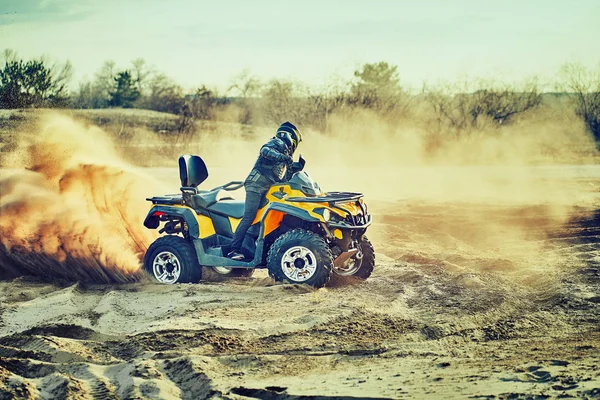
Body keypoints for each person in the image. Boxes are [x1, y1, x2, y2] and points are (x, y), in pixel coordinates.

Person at [227, 122, 302, 260]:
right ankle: (233, 250)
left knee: (264, 217)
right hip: (256, 185)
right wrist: (284, 158)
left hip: (267, 188)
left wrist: (296, 169)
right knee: (249, 216)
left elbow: (284, 180)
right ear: (291, 137)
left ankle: (255, 248)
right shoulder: (277, 143)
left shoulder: (284, 153)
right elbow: (265, 151)